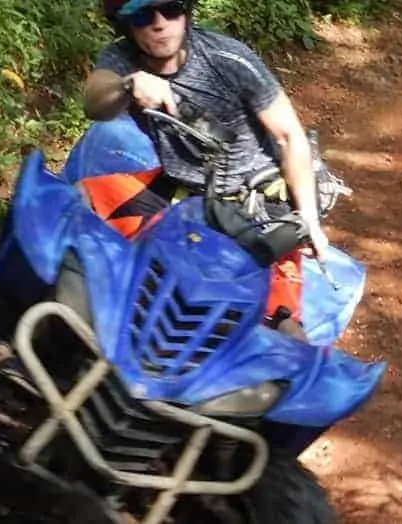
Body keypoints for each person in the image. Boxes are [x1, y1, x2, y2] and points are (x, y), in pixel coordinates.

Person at [77, 0, 330, 332]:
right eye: (142, 15)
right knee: (77, 203)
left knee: (274, 320)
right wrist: (129, 85)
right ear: (124, 25)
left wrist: (309, 219)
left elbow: (289, 137)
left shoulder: (228, 59)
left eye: (170, 8)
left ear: (187, 11)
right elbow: (94, 103)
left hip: (249, 198)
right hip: (182, 188)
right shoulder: (121, 60)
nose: (159, 23)